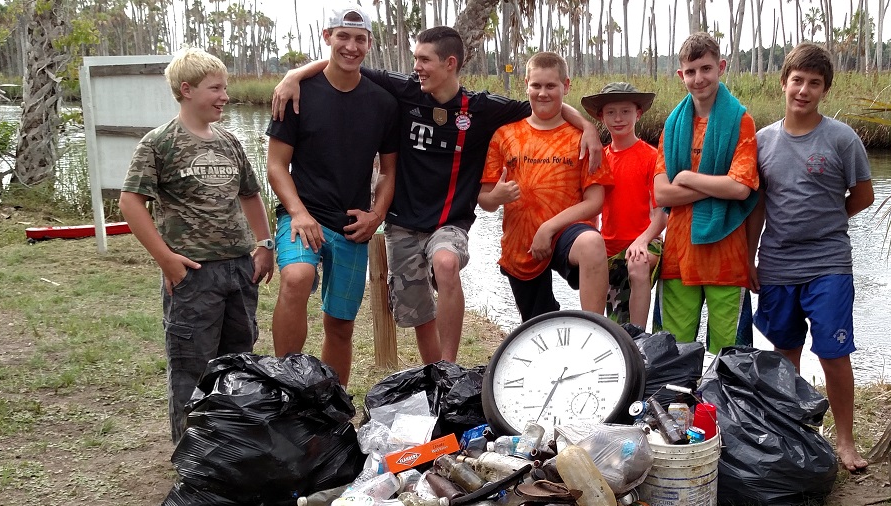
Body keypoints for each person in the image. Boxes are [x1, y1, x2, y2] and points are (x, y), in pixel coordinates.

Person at [271, 27, 602, 364]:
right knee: (418, 311)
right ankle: (437, 377)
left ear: (450, 63)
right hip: (403, 224)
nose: (417, 67)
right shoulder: (405, 91)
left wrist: (587, 126)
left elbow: (543, 104)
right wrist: (293, 75)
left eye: (424, 60)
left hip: (450, 223)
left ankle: (449, 366)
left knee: (445, 264)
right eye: (415, 59)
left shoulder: (482, 108)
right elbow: (345, 65)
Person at [120, 48, 275, 444]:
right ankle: (192, 455)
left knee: (239, 360)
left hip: (240, 269)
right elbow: (130, 203)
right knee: (192, 364)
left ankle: (233, 443)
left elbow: (251, 195)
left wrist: (265, 244)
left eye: (225, 87)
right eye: (215, 88)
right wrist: (167, 259)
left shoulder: (229, 142)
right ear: (186, 90)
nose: (225, 96)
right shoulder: (159, 144)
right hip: (193, 274)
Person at [747, 43, 875, 472]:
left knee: (834, 354)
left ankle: (845, 441)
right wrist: (750, 258)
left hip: (829, 263)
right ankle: (798, 434)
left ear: (824, 90)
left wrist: (824, 219)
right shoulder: (762, 141)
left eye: (813, 83)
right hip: (778, 262)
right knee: (785, 354)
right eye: (797, 80)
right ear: (783, 83)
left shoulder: (841, 138)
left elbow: (863, 195)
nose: (803, 90)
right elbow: (759, 206)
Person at [266, 5, 399, 387]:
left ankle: (332, 407)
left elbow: (389, 171)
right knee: (296, 277)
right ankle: (286, 386)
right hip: (302, 214)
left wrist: (376, 216)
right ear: (327, 37)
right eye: (343, 36)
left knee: (340, 324)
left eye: (360, 39)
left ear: (370, 43)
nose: (351, 46)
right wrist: (299, 212)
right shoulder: (295, 94)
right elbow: (276, 165)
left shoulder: (383, 103)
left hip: (352, 226)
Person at [478, 52, 614, 322]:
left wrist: (549, 227)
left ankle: (596, 332)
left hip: (567, 232)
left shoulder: (584, 140)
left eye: (551, 86)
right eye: (536, 85)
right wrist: (496, 196)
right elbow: (485, 201)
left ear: (566, 86)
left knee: (592, 244)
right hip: (521, 243)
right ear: (525, 84)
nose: (543, 93)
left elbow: (595, 201)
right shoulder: (505, 135)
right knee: (536, 325)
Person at [653, 32, 760, 354]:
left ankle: (722, 407)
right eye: (691, 71)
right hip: (678, 257)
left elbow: (740, 189)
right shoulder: (672, 125)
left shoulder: (741, 121)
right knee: (671, 352)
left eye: (706, 69)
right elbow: (661, 195)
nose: (699, 79)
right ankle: (674, 406)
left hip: (726, 257)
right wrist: (717, 186)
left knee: (729, 357)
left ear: (721, 67)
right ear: (680, 74)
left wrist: (686, 177)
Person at [580, 81, 666, 329]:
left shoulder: (652, 157)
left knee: (637, 264)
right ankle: (601, 337)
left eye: (626, 111)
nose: (619, 118)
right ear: (601, 116)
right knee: (614, 321)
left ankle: (638, 341)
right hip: (607, 248)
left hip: (646, 242)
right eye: (611, 112)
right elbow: (590, 210)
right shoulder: (599, 159)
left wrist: (642, 240)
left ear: (638, 113)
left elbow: (662, 214)